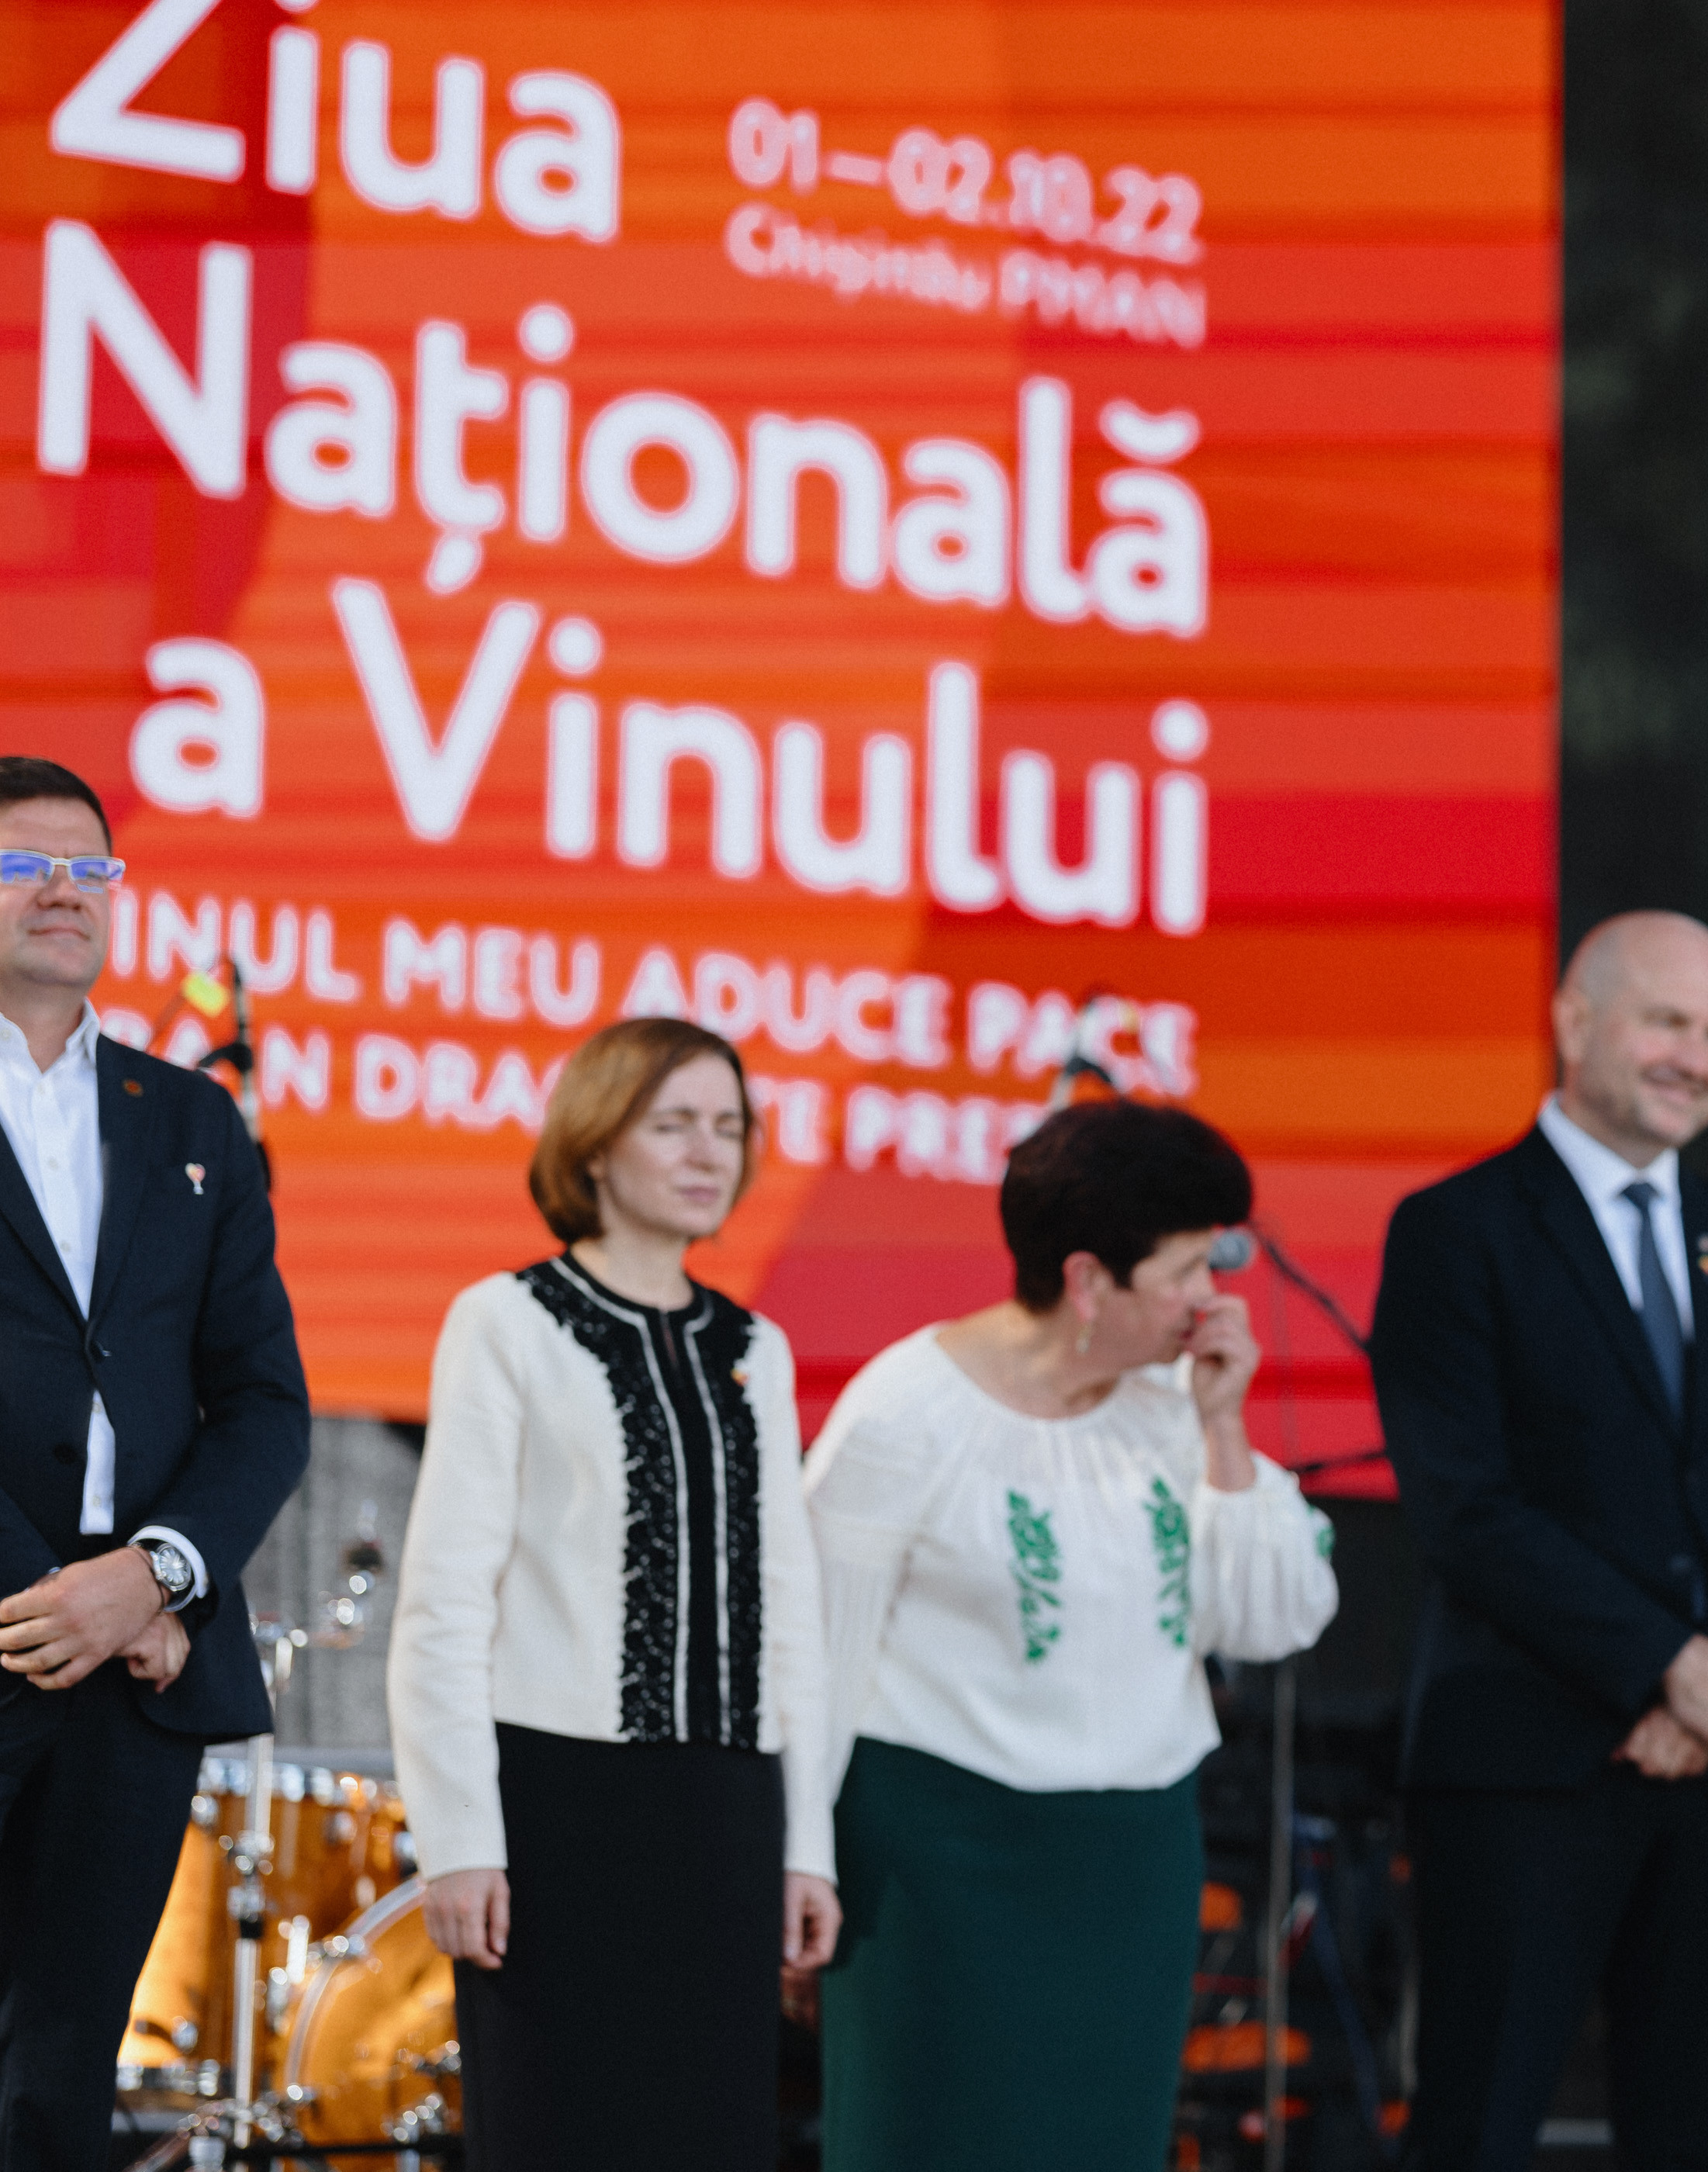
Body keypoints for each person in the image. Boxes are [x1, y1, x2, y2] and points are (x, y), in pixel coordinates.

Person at [1372, 910, 1708, 2171]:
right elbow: (1465, 1511)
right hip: (1525, 1768)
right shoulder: (1454, 1232)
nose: (1697, 1058)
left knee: (1703, 2140)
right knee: (1474, 2126)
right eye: (1668, 1022)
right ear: (1575, 1021)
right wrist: (1664, 1665)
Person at [803, 1097, 1338, 2170]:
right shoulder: (908, 1414)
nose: (1209, 1301)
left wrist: (1224, 1428)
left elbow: (1274, 1617)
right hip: (937, 1862)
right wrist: (797, 1863)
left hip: (1127, 1863)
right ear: (1090, 1280)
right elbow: (813, 1662)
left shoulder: (1171, 1405)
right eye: (1186, 1271)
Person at [386, 1018, 837, 2172]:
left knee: (712, 2137)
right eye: (673, 1123)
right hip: (555, 1807)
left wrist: (808, 1846)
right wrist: (457, 1840)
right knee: (556, 2134)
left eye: (729, 1126)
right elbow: (444, 1600)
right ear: (593, 1148)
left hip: (726, 1808)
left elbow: (789, 1606)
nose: (710, 1152)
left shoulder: (758, 1347)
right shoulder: (508, 1323)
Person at [0, 756, 309, 2171]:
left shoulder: (192, 1120)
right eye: (25, 865)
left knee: (65, 2081)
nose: (65, 891)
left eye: (90, 868)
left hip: (145, 1674)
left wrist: (159, 1583)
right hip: (33, 1632)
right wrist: (62, 1601)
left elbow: (263, 1402)